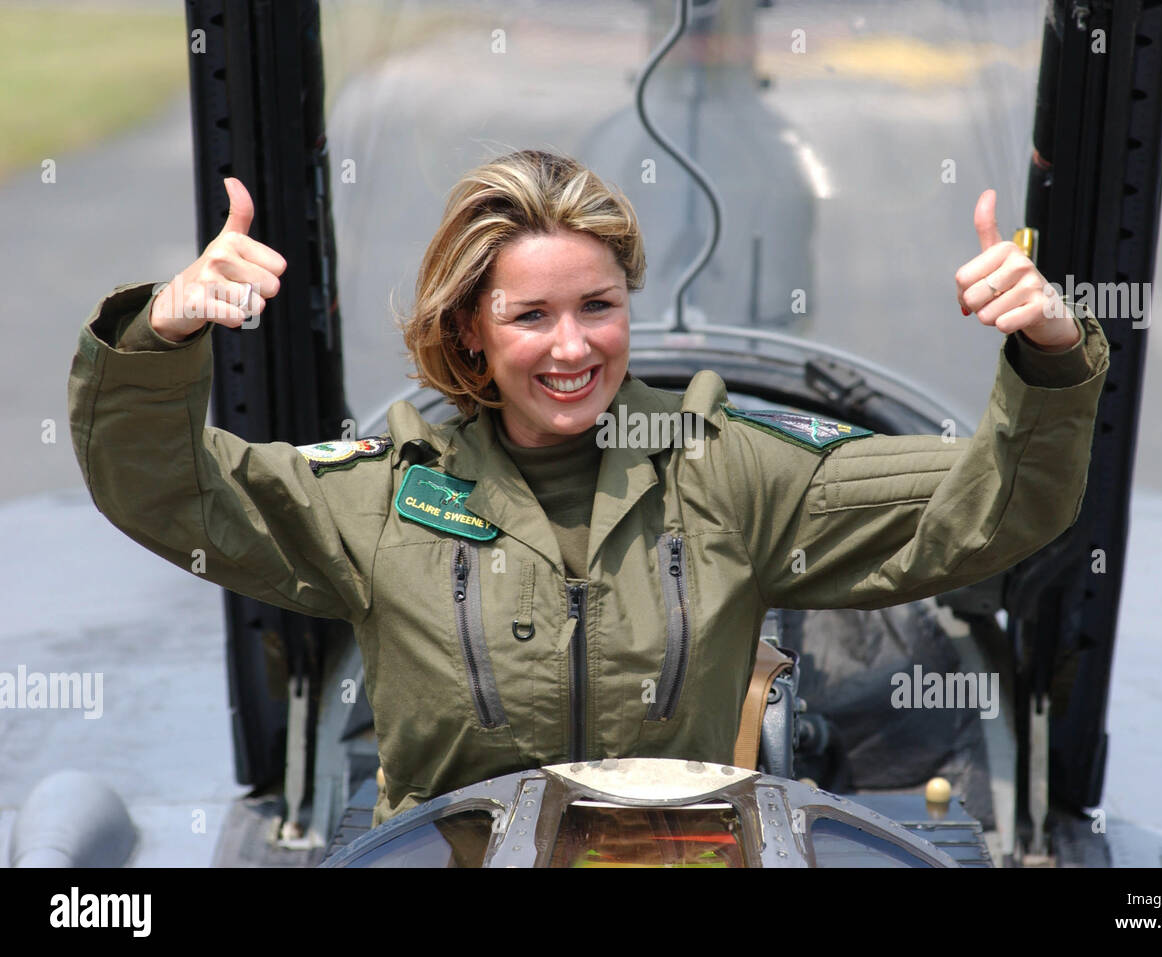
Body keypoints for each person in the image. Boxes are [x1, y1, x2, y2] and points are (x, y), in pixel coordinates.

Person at [68, 149, 1108, 828]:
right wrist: (163, 329)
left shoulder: (730, 469)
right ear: (469, 327)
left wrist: (1049, 355)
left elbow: (991, 508)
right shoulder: (379, 500)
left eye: (598, 306)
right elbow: (169, 492)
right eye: (530, 317)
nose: (572, 347)